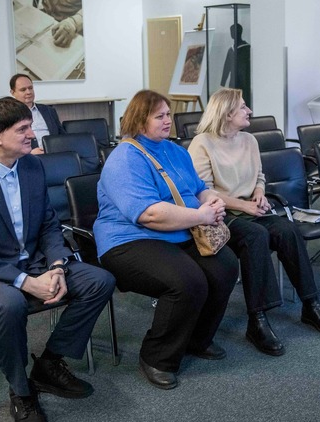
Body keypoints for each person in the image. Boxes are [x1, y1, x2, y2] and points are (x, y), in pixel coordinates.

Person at [0, 97, 116, 422]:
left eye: (30, 127)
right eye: (22, 129)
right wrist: (26, 282)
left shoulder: (32, 166)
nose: (32, 135)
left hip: (33, 261)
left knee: (100, 280)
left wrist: (57, 266)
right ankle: (21, 391)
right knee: (10, 304)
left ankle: (49, 363)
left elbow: (48, 224)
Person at [94, 90, 238, 390]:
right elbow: (148, 215)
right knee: (187, 281)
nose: (167, 121)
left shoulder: (175, 151)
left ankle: (197, 340)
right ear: (139, 121)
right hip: (129, 240)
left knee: (224, 266)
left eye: (169, 114)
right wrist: (201, 215)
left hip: (178, 231)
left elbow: (199, 188)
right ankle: (157, 357)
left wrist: (212, 200)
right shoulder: (125, 158)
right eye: (159, 116)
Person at [188, 88, 320, 357]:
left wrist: (259, 193)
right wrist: (243, 205)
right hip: (221, 216)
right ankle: (257, 320)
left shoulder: (249, 140)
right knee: (256, 236)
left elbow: (259, 176)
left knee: (288, 230)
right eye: (243, 107)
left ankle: (311, 305)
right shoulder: (202, 143)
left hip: (251, 209)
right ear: (227, 113)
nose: (249, 111)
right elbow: (204, 192)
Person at [9, 73, 66, 154]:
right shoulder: (8, 115)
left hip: (53, 155)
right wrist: (29, 154)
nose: (28, 92)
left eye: (30, 88)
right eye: (23, 90)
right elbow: (8, 145)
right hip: (27, 157)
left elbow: (62, 136)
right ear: (13, 92)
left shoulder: (49, 110)